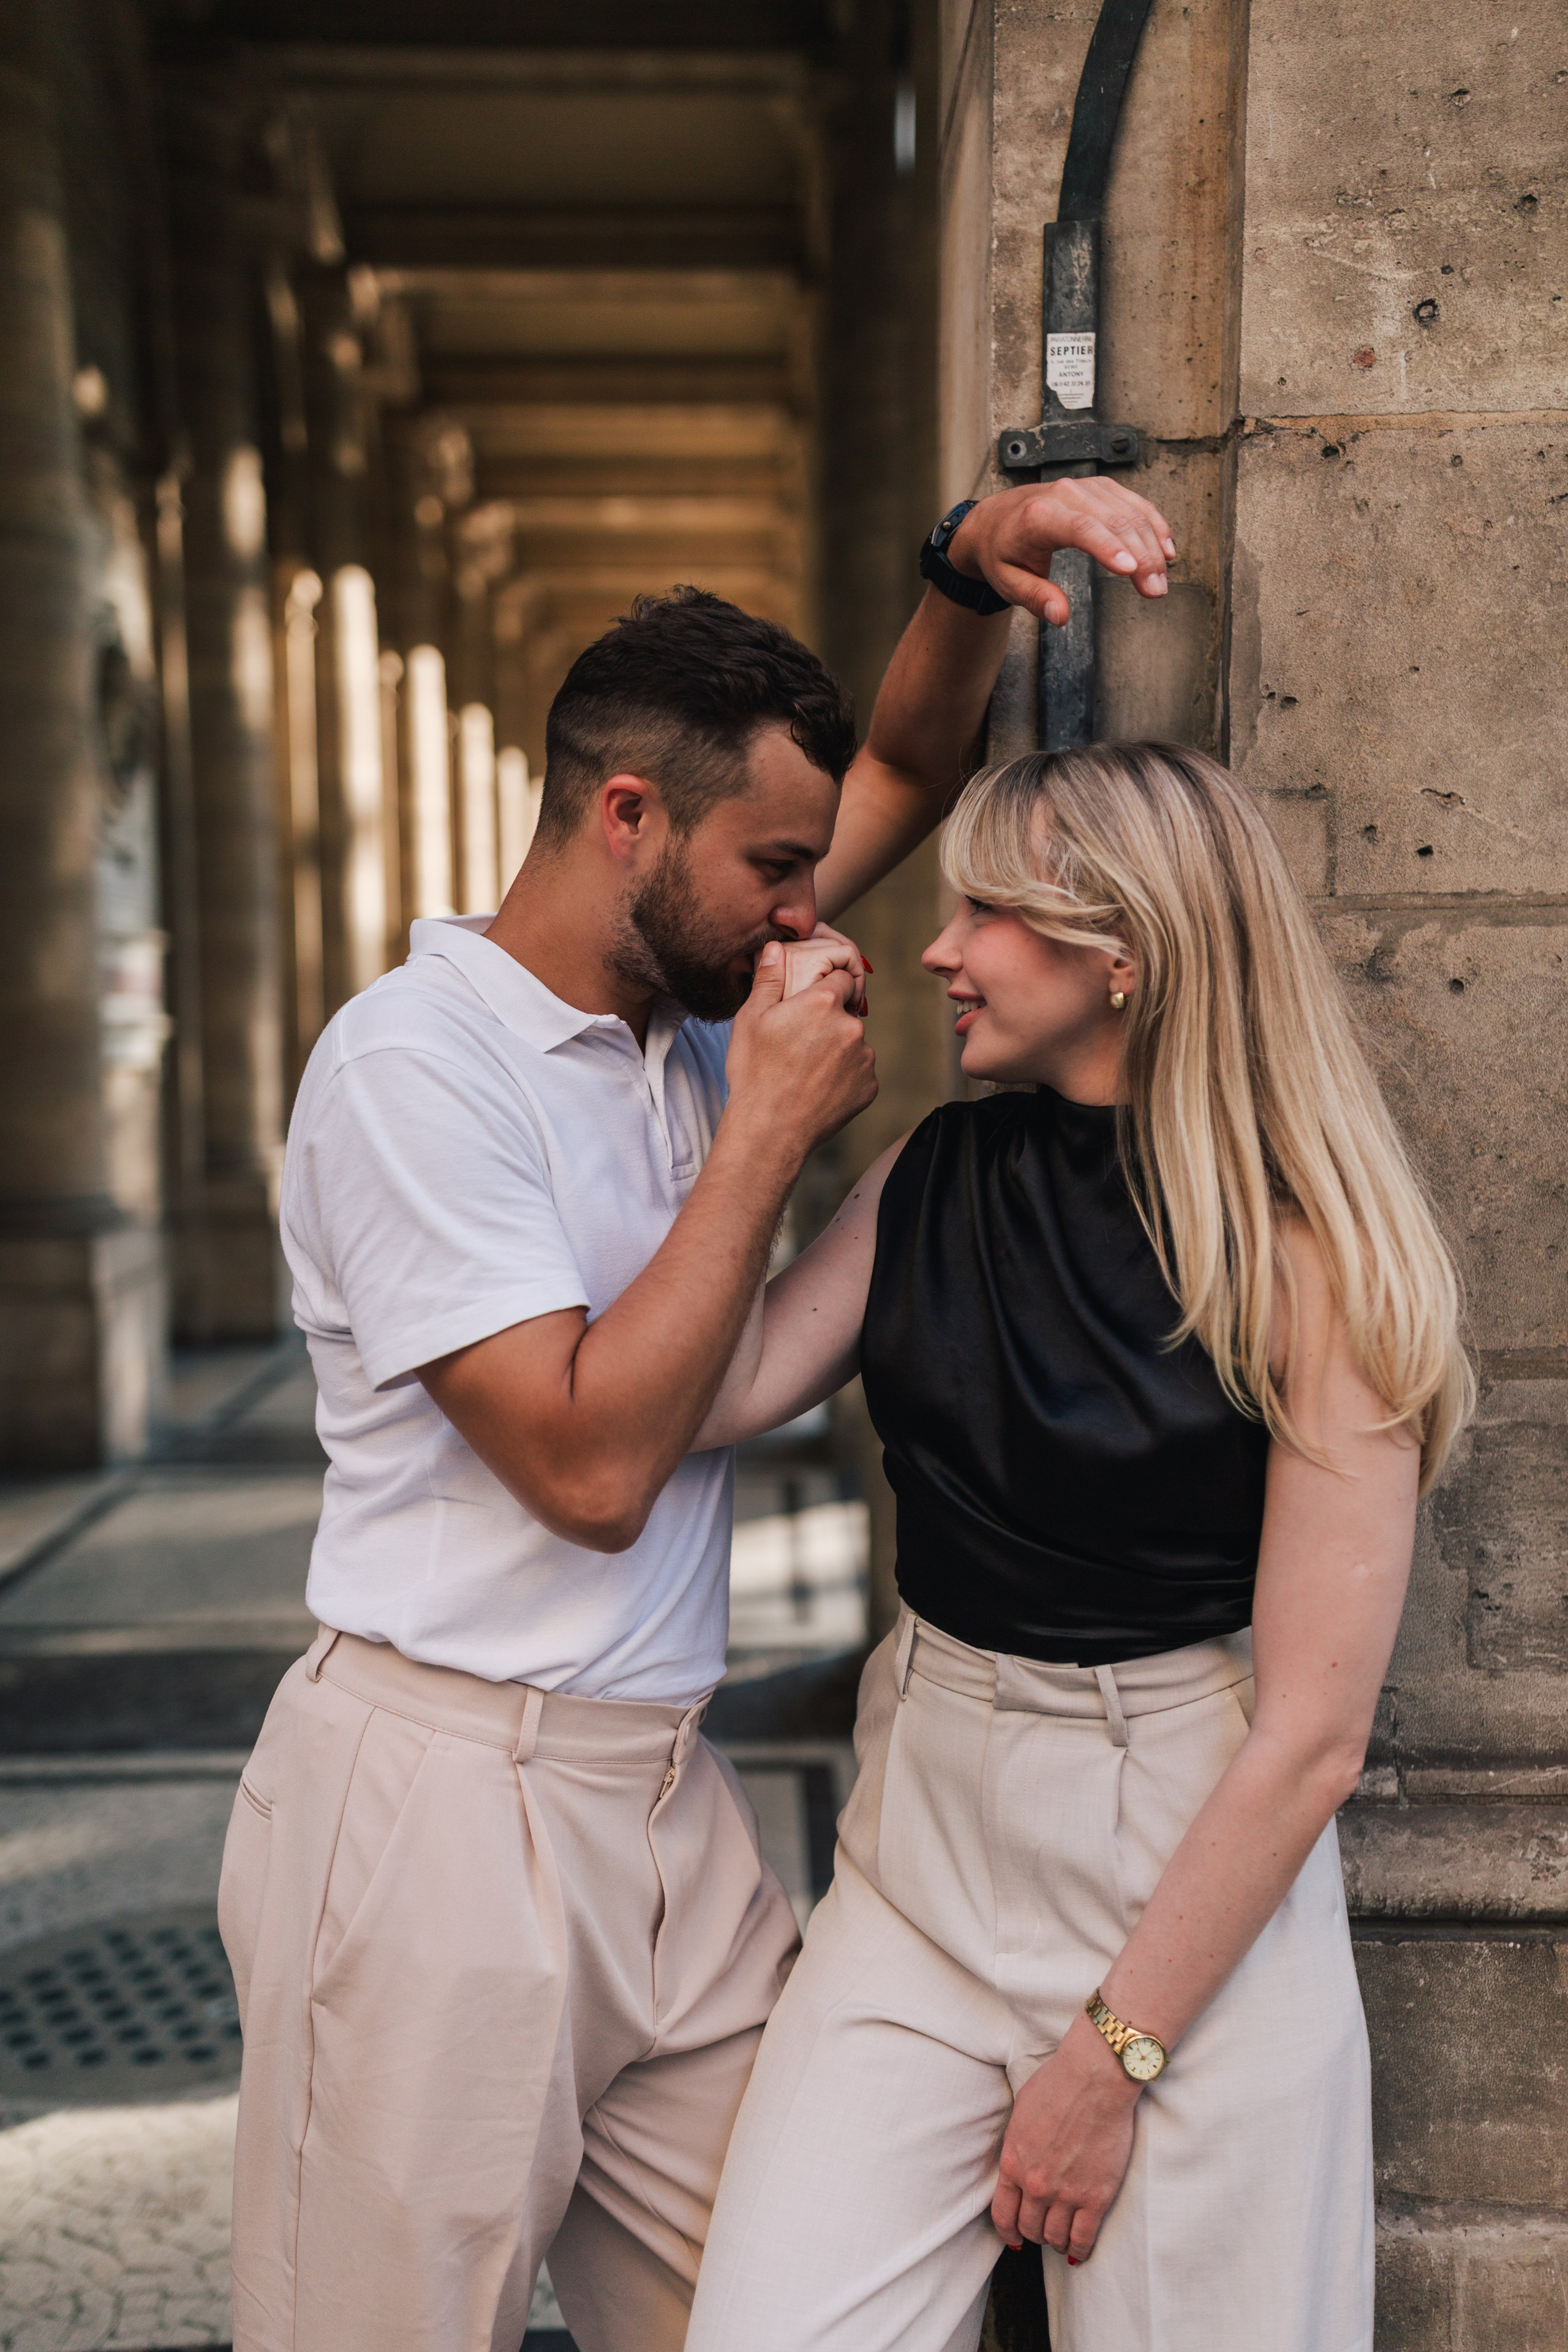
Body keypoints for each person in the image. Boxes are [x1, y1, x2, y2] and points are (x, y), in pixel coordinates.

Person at [217, 474, 1178, 2352]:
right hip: (436, 1811)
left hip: (671, 1808)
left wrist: (961, 571)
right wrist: (762, 1143)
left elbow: (894, 763)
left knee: (829, 2310)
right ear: (625, 816)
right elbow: (584, 1465)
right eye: (777, 872)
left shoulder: (691, 988)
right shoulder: (416, 1073)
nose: (817, 914)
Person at [682, 741, 1474, 2352]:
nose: (935, 947)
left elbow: (1314, 1742)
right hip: (921, 1855)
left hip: (1185, 1873)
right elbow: (716, 1392)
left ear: (1121, 954)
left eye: (987, 910)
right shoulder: (934, 1176)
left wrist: (1113, 2057)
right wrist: (757, 1136)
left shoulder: (1315, 1261)